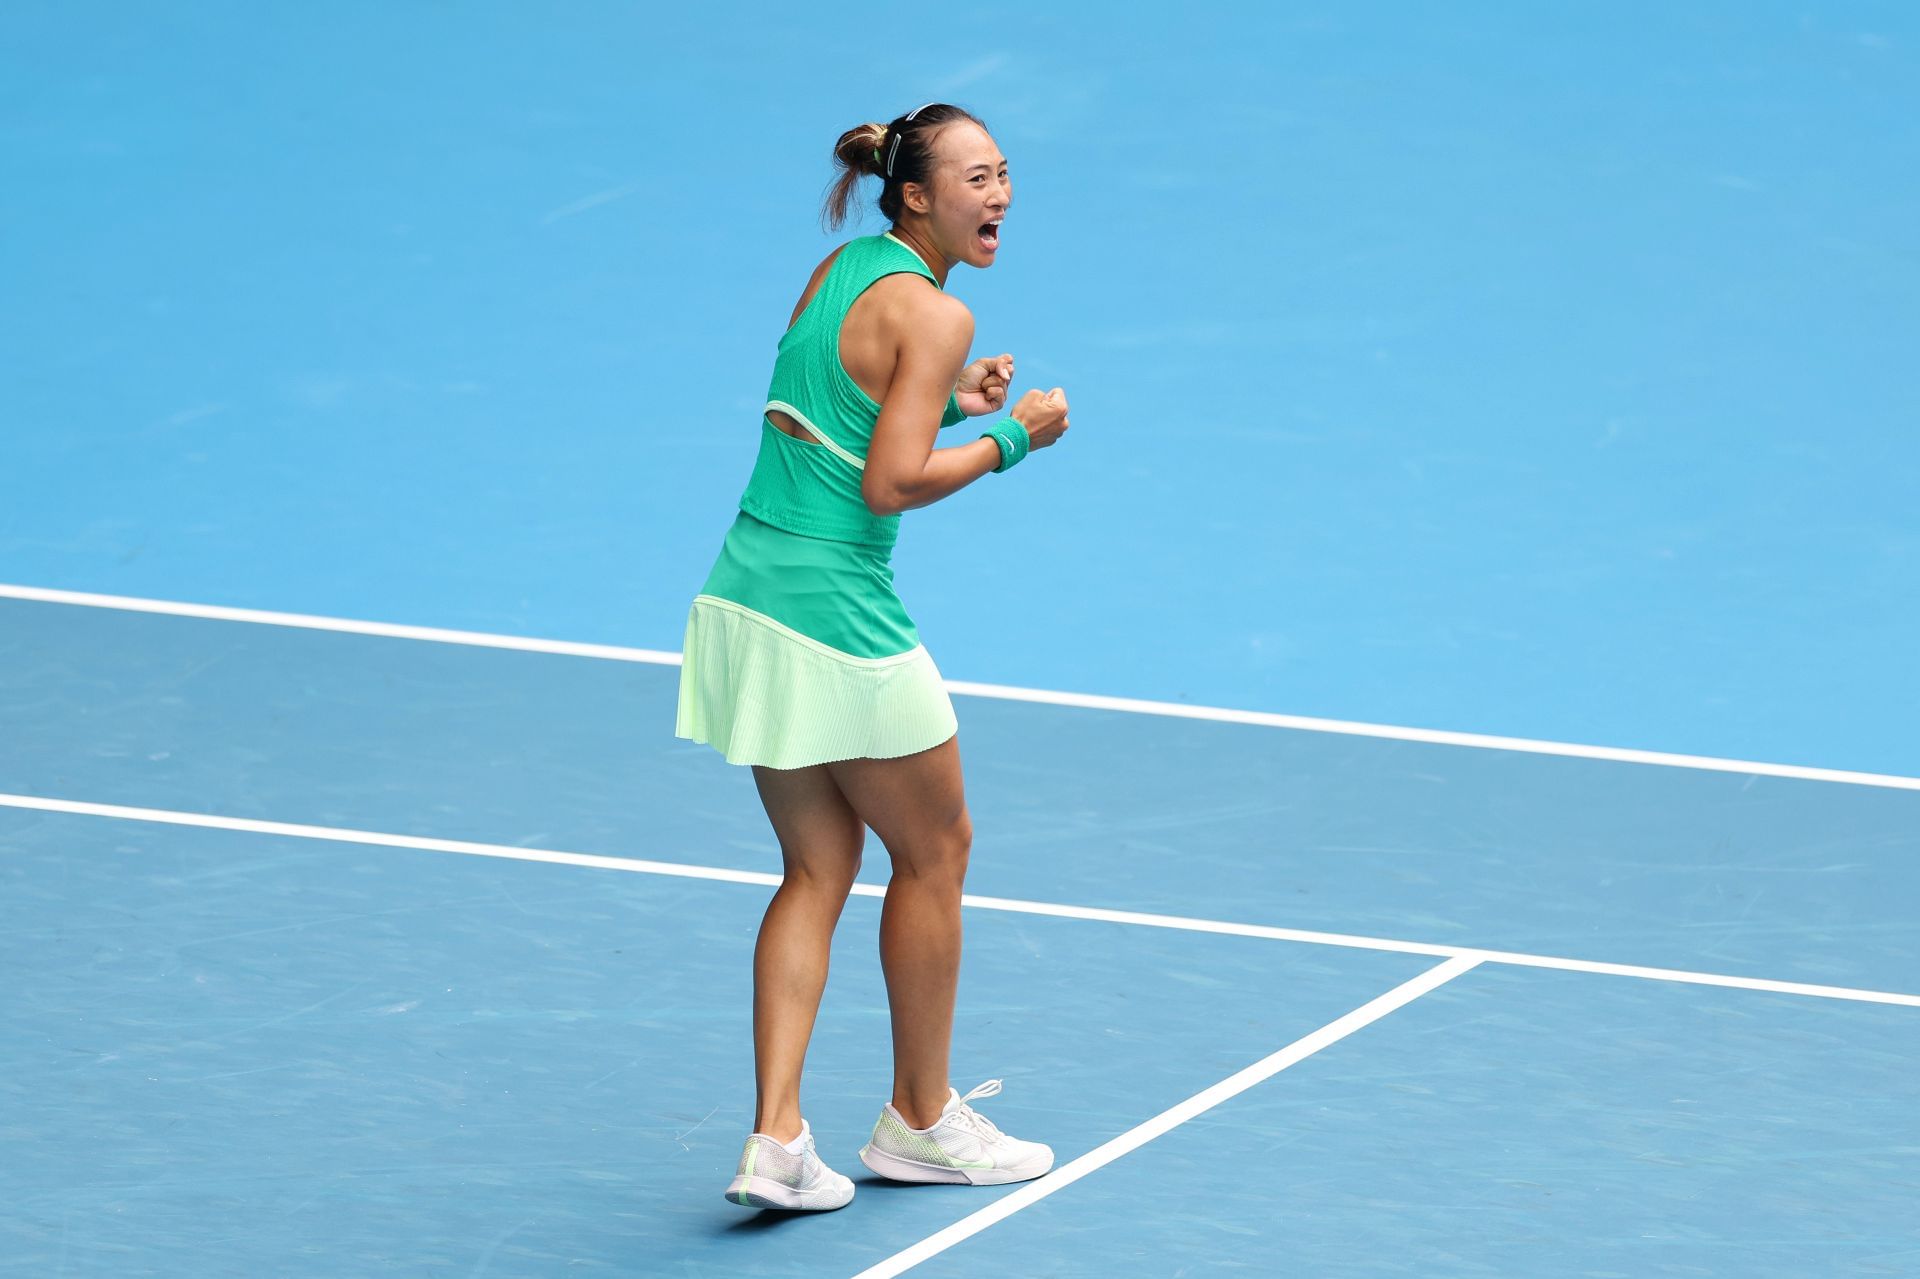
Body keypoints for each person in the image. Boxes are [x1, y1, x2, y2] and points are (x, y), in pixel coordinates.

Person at [674, 101, 1071, 1211]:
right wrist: (1005, 436)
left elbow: (834, 402)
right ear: (915, 195)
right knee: (937, 848)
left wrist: (944, 394)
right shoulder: (938, 312)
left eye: (1003, 174)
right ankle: (922, 1119)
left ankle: (778, 1142)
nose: (996, 194)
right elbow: (888, 483)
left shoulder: (841, 269)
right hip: (837, 612)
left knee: (816, 869)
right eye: (974, 177)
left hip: (745, 594)